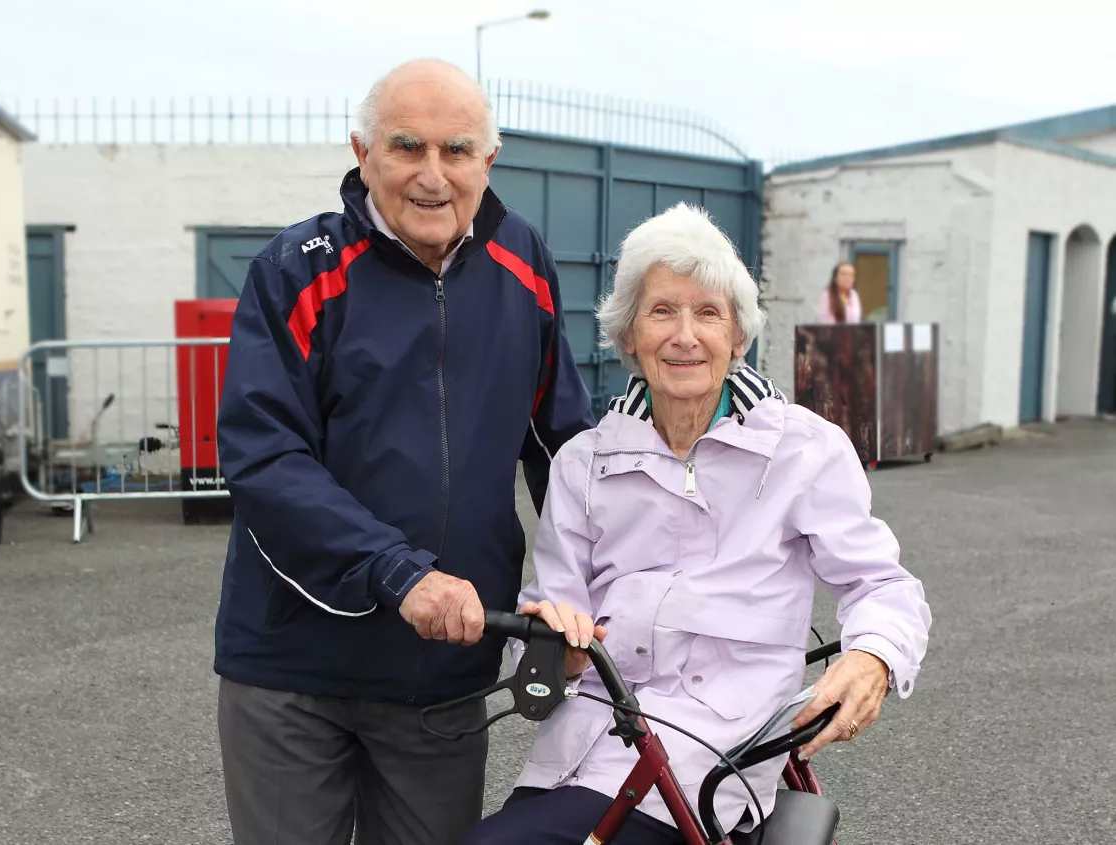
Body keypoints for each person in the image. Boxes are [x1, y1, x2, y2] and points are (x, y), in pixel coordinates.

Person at [213, 59, 595, 845]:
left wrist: (601, 587)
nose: (432, 174)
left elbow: (566, 450)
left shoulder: (524, 265)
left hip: (442, 674)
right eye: (405, 147)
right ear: (361, 152)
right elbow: (264, 454)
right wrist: (397, 571)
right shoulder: (296, 270)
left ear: (489, 160)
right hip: (291, 669)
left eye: (455, 151)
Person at [463, 203, 931, 844]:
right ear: (628, 335)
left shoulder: (803, 450)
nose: (685, 336)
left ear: (738, 336)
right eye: (662, 311)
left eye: (708, 313)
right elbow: (546, 640)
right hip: (586, 755)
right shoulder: (585, 463)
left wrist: (873, 658)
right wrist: (556, 649)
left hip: (712, 767)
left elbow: (883, 585)